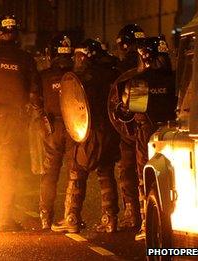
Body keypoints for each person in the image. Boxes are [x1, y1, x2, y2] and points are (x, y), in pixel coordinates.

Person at [0, 14, 45, 232]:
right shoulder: (25, 59)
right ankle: (3, 219)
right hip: (14, 123)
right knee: (8, 170)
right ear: (16, 35)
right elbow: (35, 93)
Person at [51, 39, 120, 233]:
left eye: (78, 56)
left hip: (89, 132)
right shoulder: (112, 74)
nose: (76, 59)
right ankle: (110, 218)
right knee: (106, 173)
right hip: (110, 131)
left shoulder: (81, 78)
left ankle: (72, 217)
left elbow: (75, 106)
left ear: (84, 56)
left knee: (77, 170)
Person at [121, 36, 176, 241]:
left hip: (147, 136)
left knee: (146, 179)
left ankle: (147, 223)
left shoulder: (140, 81)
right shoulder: (175, 79)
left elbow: (130, 109)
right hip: (173, 134)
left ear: (144, 57)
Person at [38, 34, 75, 230]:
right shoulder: (77, 75)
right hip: (74, 128)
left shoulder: (43, 76)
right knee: (74, 173)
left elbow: (36, 102)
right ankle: (71, 216)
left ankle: (45, 217)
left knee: (50, 173)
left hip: (51, 128)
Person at [113, 24, 146, 230]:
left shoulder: (122, 69)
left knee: (128, 171)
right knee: (144, 170)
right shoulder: (152, 65)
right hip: (150, 126)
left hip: (128, 128)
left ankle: (133, 215)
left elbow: (118, 101)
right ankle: (147, 215)